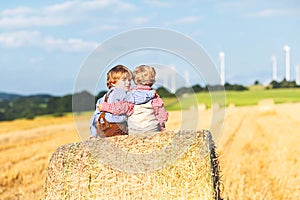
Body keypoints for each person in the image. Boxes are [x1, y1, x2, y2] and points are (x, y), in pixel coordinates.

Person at [99, 65, 168, 134]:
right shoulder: (155, 97)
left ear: (135, 80)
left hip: (134, 132)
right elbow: (162, 116)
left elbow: (121, 108)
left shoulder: (130, 95)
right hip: (152, 130)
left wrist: (106, 107)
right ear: (153, 80)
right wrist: (161, 126)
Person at [90, 65, 156, 138]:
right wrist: (151, 93)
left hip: (103, 128)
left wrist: (93, 134)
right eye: (124, 80)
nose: (128, 83)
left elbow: (95, 117)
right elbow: (136, 98)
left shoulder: (103, 98)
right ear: (113, 82)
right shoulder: (120, 92)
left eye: (129, 80)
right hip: (116, 127)